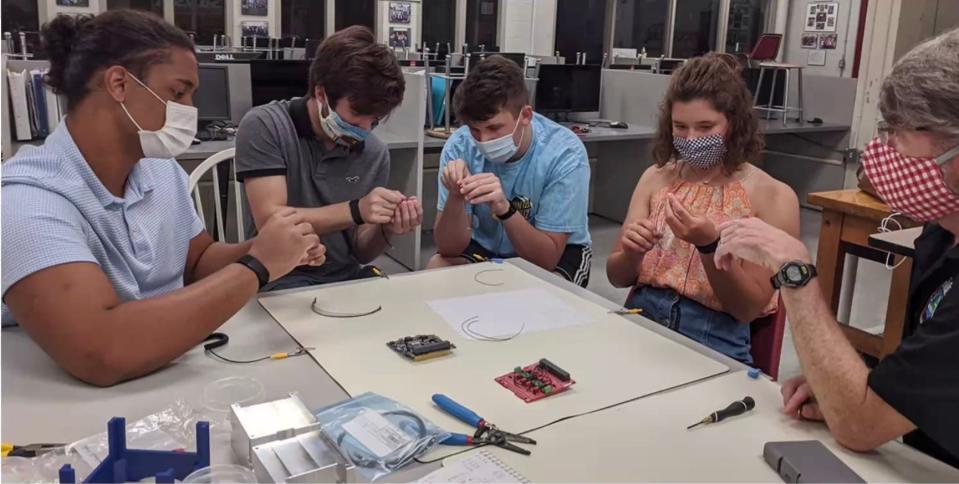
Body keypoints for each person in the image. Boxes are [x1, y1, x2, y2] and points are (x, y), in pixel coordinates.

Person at [1, 10, 324, 386]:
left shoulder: (158, 168)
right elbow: (101, 349)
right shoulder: (27, 202)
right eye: (178, 92)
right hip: (70, 404)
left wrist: (268, 249)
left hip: (169, 371)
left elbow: (198, 261)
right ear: (119, 84)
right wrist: (258, 267)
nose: (190, 110)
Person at [714, 28, 959, 467]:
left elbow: (861, 426)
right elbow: (914, 381)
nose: (884, 149)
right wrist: (845, 386)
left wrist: (794, 271)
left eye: (899, 133)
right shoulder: (941, 234)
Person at [605, 53, 800, 364]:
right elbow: (617, 277)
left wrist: (710, 248)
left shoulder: (771, 196)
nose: (691, 138)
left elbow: (747, 308)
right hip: (643, 317)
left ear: (734, 124)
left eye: (705, 126)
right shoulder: (656, 178)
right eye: (680, 126)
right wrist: (632, 252)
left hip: (716, 335)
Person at [236, 26, 422, 291]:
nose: (365, 130)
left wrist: (387, 227)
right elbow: (271, 222)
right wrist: (356, 209)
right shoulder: (266, 125)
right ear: (321, 95)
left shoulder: (374, 151)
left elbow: (361, 252)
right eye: (357, 114)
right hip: (279, 277)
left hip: (345, 279)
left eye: (375, 120)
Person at [428, 55, 592, 287]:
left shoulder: (565, 153)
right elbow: (447, 247)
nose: (484, 140)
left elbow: (545, 259)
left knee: (547, 294)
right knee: (437, 270)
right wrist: (455, 197)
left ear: (525, 116)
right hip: (485, 244)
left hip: (555, 251)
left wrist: (505, 209)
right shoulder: (459, 145)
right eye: (475, 129)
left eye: (494, 128)